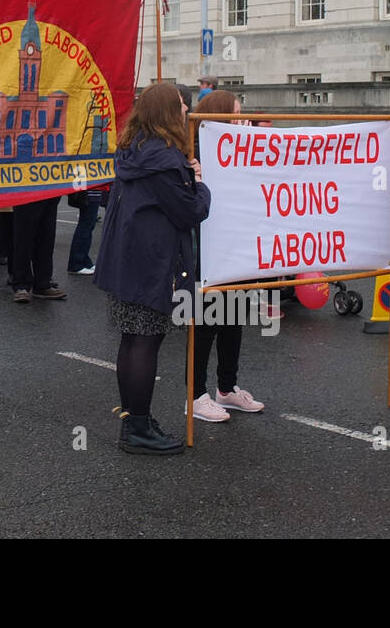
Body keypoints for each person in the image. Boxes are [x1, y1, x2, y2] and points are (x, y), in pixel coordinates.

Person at [94, 82, 210, 455]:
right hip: (151, 262)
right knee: (145, 340)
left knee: (131, 339)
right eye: (180, 106)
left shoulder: (133, 148)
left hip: (126, 259)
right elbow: (189, 212)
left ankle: (134, 419)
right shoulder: (165, 158)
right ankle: (138, 429)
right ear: (165, 113)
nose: (185, 111)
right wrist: (201, 183)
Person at [187, 90, 264, 422]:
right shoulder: (198, 153)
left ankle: (227, 388)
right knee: (206, 322)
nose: (241, 118)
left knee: (234, 317)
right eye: (236, 113)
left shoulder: (241, 147)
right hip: (209, 249)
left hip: (238, 246)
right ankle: (195, 394)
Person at [11, 196, 64, 302]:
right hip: (27, 190)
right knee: (23, 239)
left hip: (50, 190)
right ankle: (21, 285)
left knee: (46, 238)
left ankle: (42, 284)